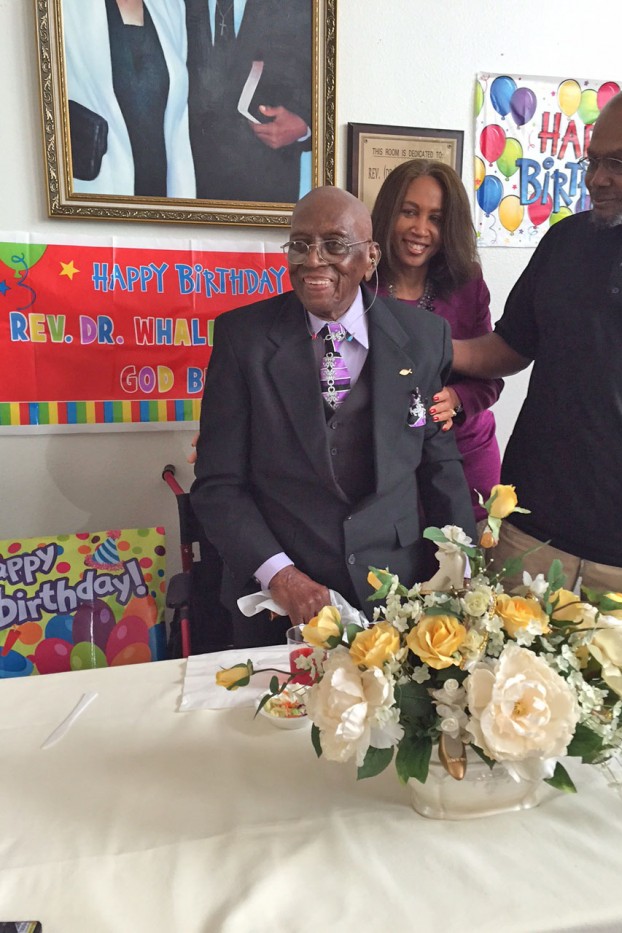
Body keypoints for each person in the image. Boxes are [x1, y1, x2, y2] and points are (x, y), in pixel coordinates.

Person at [451, 81, 622, 609]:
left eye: (620, 163)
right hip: (530, 545)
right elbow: (511, 348)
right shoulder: (566, 240)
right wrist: (422, 345)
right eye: (592, 160)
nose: (597, 179)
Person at [190, 186, 475, 647]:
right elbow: (218, 486)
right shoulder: (243, 338)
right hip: (280, 599)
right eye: (300, 244)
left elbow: (438, 463)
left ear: (370, 257)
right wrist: (282, 578)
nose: (312, 260)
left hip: (398, 595)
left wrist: (462, 566)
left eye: (335, 245)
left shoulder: (424, 338)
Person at [371, 159, 503, 521]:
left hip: (466, 457)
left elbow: (491, 376)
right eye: (409, 212)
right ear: (387, 214)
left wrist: (458, 399)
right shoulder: (359, 284)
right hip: (385, 464)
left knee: (470, 571)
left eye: (436, 219)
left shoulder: (468, 283)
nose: (420, 229)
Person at [64, 0, 196, 197]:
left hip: (161, 199)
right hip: (94, 199)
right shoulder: (63, 7)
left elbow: (178, 123)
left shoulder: (172, 6)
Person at [184, 0, 312, 202]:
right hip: (185, 189)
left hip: (266, 197)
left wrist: (305, 126)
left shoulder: (301, 6)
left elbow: (326, 71)